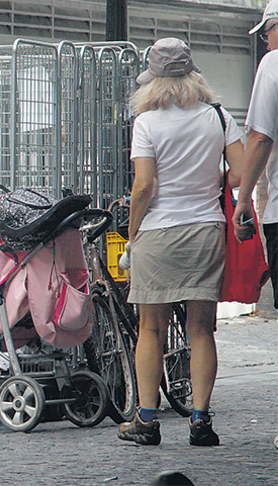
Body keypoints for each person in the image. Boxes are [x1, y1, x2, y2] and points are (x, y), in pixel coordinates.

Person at [120, 37, 244, 447]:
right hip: (206, 229)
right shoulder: (218, 115)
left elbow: (144, 186)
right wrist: (210, 184)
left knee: (150, 328)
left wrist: (133, 231)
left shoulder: (147, 123)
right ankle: (201, 420)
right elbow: (240, 174)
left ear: (151, 81)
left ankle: (147, 420)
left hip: (156, 232)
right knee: (202, 329)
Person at [235, 0, 278, 451]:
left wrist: (244, 198)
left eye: (266, 31)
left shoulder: (273, 65)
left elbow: (261, 135)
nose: (265, 40)